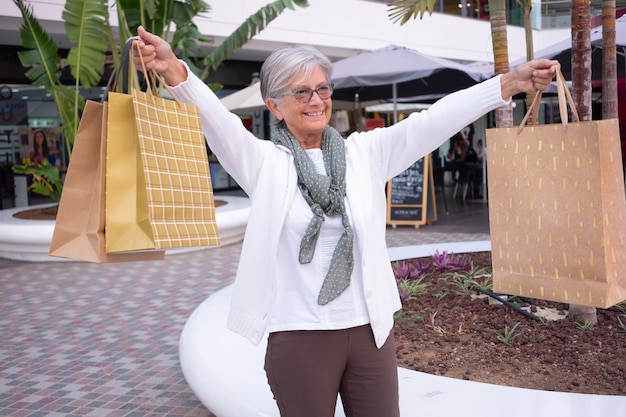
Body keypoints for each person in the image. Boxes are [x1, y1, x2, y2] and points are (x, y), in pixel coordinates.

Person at [133, 26, 558, 417]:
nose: (316, 101)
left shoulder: (363, 154)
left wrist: (508, 83)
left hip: (370, 333)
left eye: (322, 88)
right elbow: (216, 121)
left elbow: (434, 121)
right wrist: (172, 69)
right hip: (300, 335)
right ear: (273, 106)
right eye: (301, 92)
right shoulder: (264, 162)